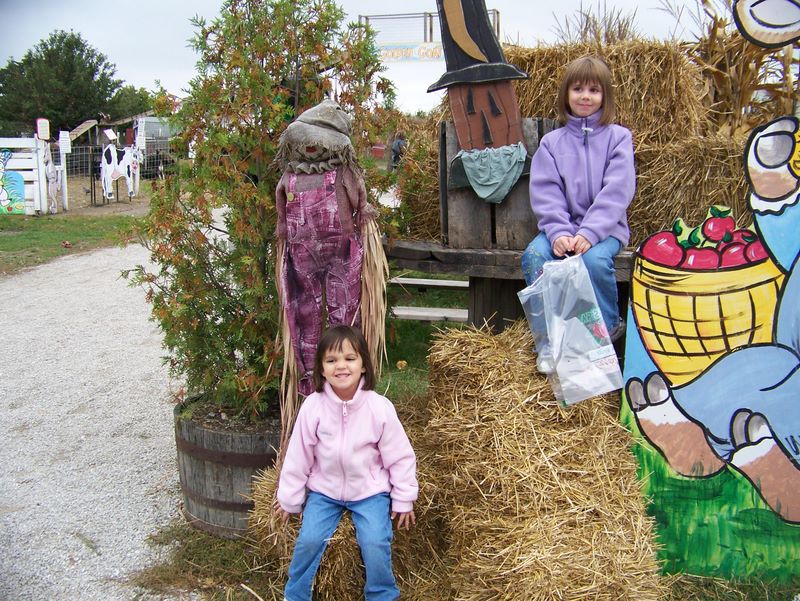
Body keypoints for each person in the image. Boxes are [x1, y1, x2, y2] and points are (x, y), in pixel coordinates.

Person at [274, 325, 418, 601]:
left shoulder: (379, 408)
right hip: (324, 492)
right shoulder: (313, 407)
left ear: (363, 365)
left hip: (369, 492)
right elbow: (298, 455)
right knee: (309, 540)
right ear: (321, 369)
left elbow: (399, 456)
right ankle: (295, 594)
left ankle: (382, 594)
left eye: (350, 358)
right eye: (331, 360)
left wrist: (404, 498)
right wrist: (289, 499)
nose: (341, 366)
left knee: (375, 541)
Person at [521, 55, 635, 369]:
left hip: (605, 230)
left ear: (605, 96)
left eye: (594, 90)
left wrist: (590, 232)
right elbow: (546, 192)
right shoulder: (551, 143)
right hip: (562, 228)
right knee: (534, 256)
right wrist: (558, 232)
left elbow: (618, 190)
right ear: (566, 94)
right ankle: (549, 341)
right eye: (578, 89)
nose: (585, 96)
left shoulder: (618, 138)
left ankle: (604, 332)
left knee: (594, 261)